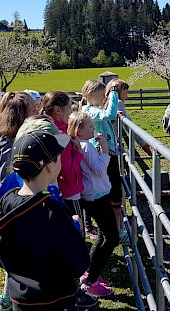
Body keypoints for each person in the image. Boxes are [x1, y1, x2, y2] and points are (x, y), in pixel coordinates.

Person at [0, 130, 91, 311]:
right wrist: (75, 227)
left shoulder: (8, 201)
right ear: (50, 165)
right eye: (58, 157)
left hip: (21, 298)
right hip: (55, 298)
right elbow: (78, 261)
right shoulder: (52, 210)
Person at [68, 111, 119, 297]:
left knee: (103, 236)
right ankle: (90, 281)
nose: (93, 128)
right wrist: (105, 149)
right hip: (98, 196)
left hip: (91, 195)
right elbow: (98, 169)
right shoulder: (86, 146)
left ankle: (90, 274)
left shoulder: (81, 145)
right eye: (90, 126)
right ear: (79, 130)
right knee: (112, 238)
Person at [80, 79, 129, 244]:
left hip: (107, 154)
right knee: (113, 194)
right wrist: (114, 92)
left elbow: (107, 116)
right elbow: (107, 114)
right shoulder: (89, 111)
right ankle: (114, 232)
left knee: (114, 193)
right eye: (102, 95)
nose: (104, 98)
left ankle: (115, 231)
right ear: (91, 95)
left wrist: (113, 116)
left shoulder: (92, 110)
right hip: (104, 155)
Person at [42, 91, 85, 233]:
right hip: (69, 189)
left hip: (55, 189)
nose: (70, 112)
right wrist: (79, 151)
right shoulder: (61, 136)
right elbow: (67, 169)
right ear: (58, 110)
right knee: (77, 228)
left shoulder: (47, 127)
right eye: (68, 108)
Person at [0, 91, 34, 189]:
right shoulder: (9, 147)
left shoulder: (21, 140)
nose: (38, 114)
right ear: (21, 117)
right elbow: (8, 186)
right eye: (33, 111)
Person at [105, 78, 152, 156]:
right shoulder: (118, 103)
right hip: (112, 145)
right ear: (119, 92)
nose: (127, 96)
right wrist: (145, 145)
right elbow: (129, 126)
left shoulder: (104, 101)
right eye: (126, 93)